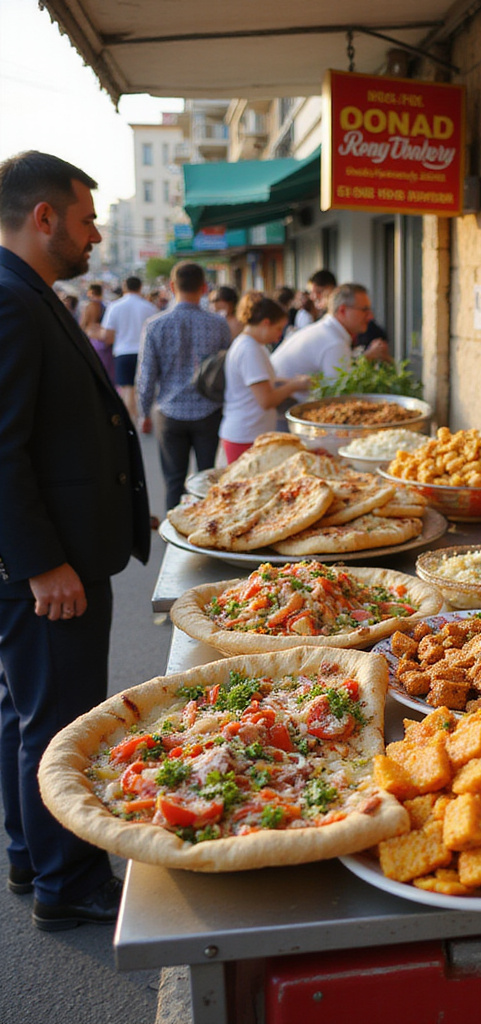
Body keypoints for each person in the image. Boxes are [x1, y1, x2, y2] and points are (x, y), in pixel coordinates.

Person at [0, 150, 150, 929]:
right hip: (46, 568)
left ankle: (31, 855)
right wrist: (43, 563)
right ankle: (69, 881)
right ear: (45, 216)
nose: (96, 234)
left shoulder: (31, 291)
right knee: (59, 723)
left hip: (51, 558)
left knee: (25, 712)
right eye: (88, 218)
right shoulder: (11, 298)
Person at [136, 261, 233, 511]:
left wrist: (143, 412)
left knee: (173, 481)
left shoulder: (155, 325)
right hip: (209, 411)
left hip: (169, 413)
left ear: (171, 286)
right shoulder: (218, 324)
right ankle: (208, 533)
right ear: (204, 288)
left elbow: (146, 375)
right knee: (208, 481)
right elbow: (226, 368)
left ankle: (175, 541)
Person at [219, 293, 309, 462]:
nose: (279, 334)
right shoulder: (249, 349)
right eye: (278, 328)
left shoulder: (253, 345)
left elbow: (265, 382)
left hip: (248, 433)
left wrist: (292, 381)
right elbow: (266, 400)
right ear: (265, 323)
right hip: (245, 436)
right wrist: (294, 386)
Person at [270, 283, 377, 403]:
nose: (370, 316)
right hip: (281, 410)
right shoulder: (334, 342)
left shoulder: (328, 331)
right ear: (342, 311)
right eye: (364, 310)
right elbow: (340, 397)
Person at [89, 275, 157, 422]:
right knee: (144, 388)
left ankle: (131, 422)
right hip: (145, 352)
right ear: (140, 287)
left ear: (125, 288)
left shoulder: (115, 306)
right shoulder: (150, 307)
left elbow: (107, 335)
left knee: (127, 389)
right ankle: (144, 417)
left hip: (123, 352)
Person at [79, 281, 113, 381]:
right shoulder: (106, 306)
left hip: (92, 340)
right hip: (104, 340)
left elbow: (83, 324)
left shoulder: (89, 306)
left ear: (91, 292)